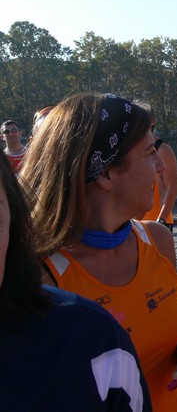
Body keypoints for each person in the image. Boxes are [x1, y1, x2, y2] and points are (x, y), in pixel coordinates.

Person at [19, 93, 177, 411]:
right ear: (106, 173)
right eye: (150, 153)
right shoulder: (41, 276)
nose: (161, 167)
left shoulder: (158, 240)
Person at [0, 151, 152, 411]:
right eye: (148, 153)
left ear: (13, 217)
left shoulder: (89, 335)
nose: (159, 164)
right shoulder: (49, 268)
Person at [142, 114, 177, 231]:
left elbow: (172, 187)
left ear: (153, 121)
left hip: (158, 220)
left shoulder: (163, 149)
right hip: (133, 222)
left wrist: (162, 219)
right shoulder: (130, 148)